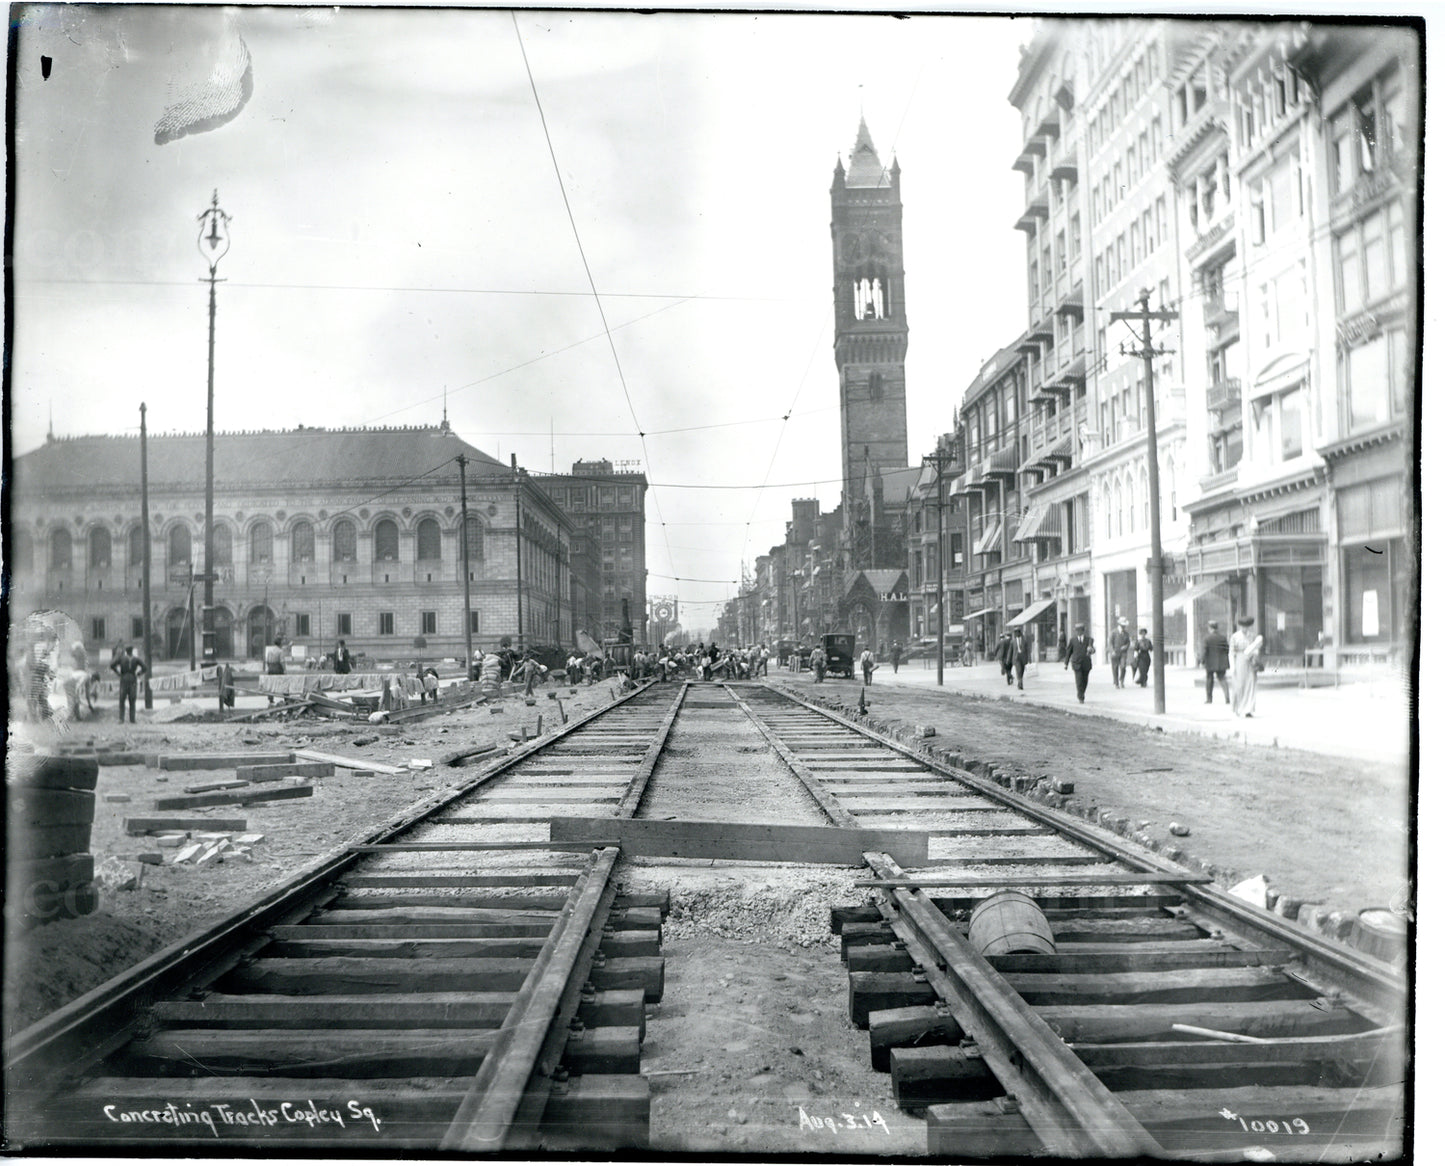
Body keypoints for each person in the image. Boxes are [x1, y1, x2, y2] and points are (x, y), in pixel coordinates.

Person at [1229, 616, 1264, 718]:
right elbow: (1231, 652)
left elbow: (1256, 648)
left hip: (1250, 661)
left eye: (1247, 627)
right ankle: (1238, 708)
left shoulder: (1252, 636)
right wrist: (1232, 666)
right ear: (1240, 626)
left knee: (1251, 684)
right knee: (1239, 685)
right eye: (1243, 627)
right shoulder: (1235, 637)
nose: (1245, 629)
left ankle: (1249, 709)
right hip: (1239, 661)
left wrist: (1254, 653)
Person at [111, 643, 146, 724]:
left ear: (126, 651)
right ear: (132, 651)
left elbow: (112, 665)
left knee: (122, 699)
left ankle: (121, 719)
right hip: (133, 679)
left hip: (124, 678)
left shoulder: (121, 658)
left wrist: (118, 673)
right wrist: (139, 673)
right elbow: (145, 667)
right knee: (132, 699)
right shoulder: (136, 659)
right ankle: (132, 719)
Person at [1200, 619, 1231, 705]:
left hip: (1210, 662)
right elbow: (1227, 650)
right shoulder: (1223, 638)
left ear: (1210, 628)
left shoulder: (1207, 638)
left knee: (1209, 680)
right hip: (1221, 662)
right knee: (1222, 679)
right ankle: (1227, 698)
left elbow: (1204, 651)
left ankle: (1209, 699)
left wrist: (1202, 661)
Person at [1063, 622, 1096, 703]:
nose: (1078, 632)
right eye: (1077, 630)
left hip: (1086, 664)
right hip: (1076, 663)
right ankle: (1080, 697)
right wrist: (1066, 663)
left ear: (1083, 631)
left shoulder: (1089, 640)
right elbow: (1068, 652)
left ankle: (1082, 692)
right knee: (1079, 680)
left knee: (1085, 681)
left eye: (1080, 630)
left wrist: (1091, 650)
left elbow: (1093, 650)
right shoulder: (1072, 640)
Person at [1108, 619, 1131, 688]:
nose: (1124, 627)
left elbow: (1128, 642)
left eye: (1125, 626)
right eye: (1123, 625)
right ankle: (1116, 682)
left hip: (1123, 653)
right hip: (1115, 652)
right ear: (1119, 625)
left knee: (1123, 666)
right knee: (1115, 668)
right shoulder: (1113, 632)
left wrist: (1126, 646)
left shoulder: (1126, 633)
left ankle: (1121, 680)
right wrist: (1112, 651)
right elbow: (1110, 643)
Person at [1011, 627, 1032, 691]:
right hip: (1016, 658)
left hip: (1023, 657)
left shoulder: (1024, 640)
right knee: (1018, 670)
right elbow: (1011, 651)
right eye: (1015, 632)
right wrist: (1009, 660)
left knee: (1022, 671)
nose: (1016, 634)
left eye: (1017, 632)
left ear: (1020, 632)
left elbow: (1028, 650)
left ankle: (1020, 682)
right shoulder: (1013, 641)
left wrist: (1029, 658)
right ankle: (1020, 683)